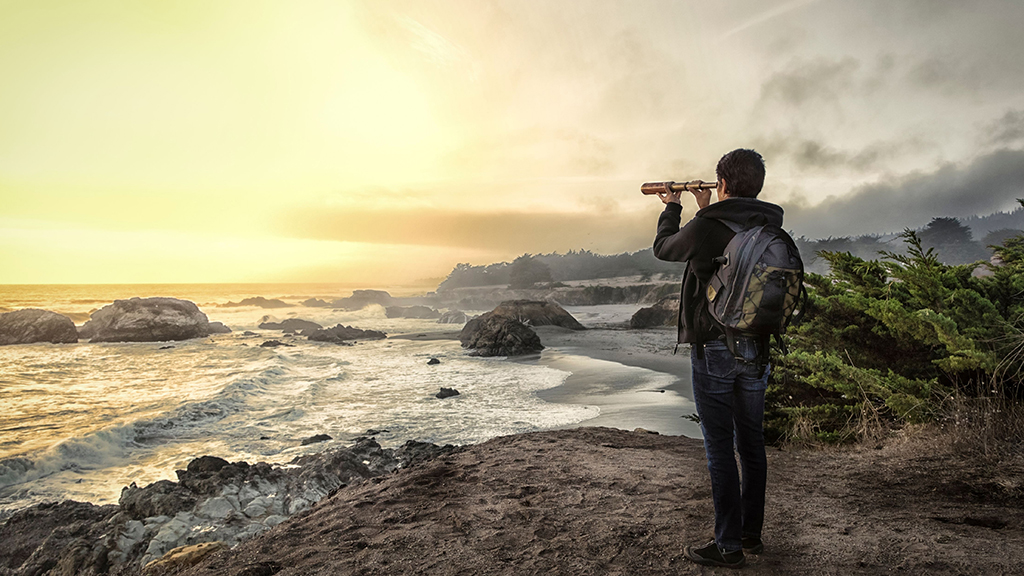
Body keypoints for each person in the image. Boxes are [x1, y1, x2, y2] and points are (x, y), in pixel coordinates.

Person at [652, 148, 784, 569]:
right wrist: (709, 209)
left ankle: (727, 546)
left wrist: (674, 207)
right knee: (751, 445)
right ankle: (750, 535)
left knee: (719, 449)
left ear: (721, 182)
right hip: (757, 346)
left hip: (714, 348)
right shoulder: (769, 224)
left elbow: (665, 248)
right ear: (757, 185)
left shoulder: (707, 226)